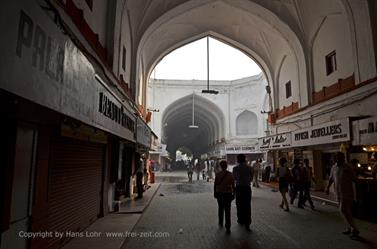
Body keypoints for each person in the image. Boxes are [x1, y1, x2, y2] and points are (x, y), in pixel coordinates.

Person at [326, 152, 360, 238]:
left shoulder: (348, 167)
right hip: (337, 193)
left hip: (347, 193)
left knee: (343, 210)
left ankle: (355, 229)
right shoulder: (333, 167)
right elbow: (331, 179)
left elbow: (355, 179)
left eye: (341, 157)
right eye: (337, 157)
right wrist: (327, 188)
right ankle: (350, 228)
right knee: (346, 211)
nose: (340, 158)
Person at [232, 154, 254, 231]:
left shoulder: (235, 168)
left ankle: (241, 220)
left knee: (239, 204)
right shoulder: (250, 168)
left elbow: (234, 178)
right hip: (247, 188)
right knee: (247, 205)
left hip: (239, 188)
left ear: (238, 160)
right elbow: (251, 179)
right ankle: (247, 223)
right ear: (245, 159)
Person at [214, 160, 235, 234]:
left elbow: (215, 185)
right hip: (228, 194)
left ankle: (220, 222)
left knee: (220, 208)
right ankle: (228, 226)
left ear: (220, 166)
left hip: (220, 194)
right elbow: (233, 185)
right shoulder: (230, 174)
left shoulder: (218, 174)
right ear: (226, 166)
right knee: (227, 210)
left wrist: (215, 193)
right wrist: (234, 194)